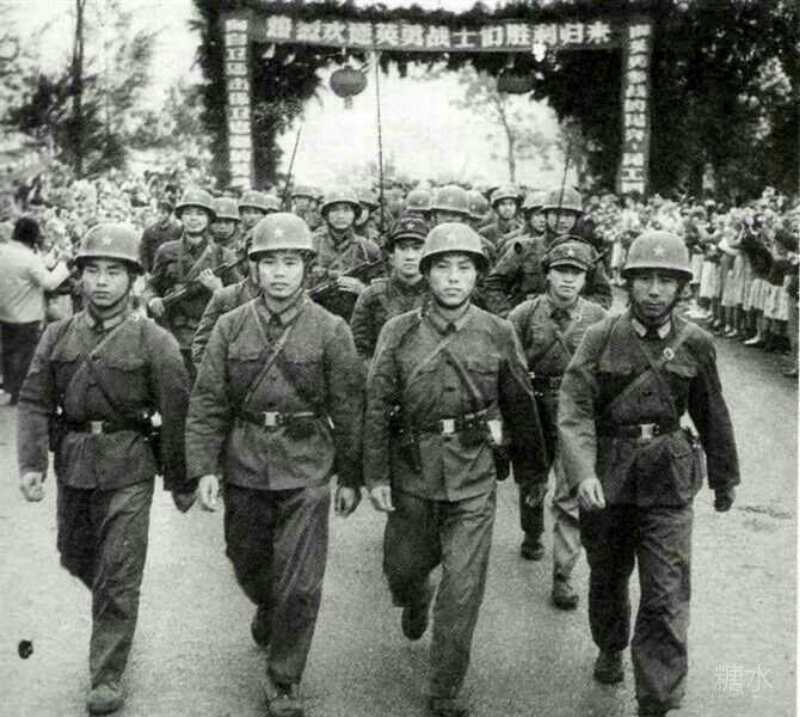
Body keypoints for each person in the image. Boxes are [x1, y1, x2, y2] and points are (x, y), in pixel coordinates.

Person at [363, 223, 548, 717]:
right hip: (412, 471)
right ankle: (414, 597)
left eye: (463, 268)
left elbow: (520, 404)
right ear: (426, 274)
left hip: (473, 471)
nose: (452, 278)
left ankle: (445, 686)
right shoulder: (398, 331)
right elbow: (377, 404)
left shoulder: (498, 331)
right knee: (403, 570)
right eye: (442, 267)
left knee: (463, 588)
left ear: (477, 275)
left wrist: (533, 476)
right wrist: (375, 476)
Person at [186, 213, 363, 717]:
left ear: (307, 267)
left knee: (301, 582)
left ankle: (284, 677)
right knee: (246, 560)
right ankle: (268, 605)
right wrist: (205, 468)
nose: (280, 273)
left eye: (290, 262)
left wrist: (352, 476)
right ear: (254, 268)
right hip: (244, 459)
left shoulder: (331, 329)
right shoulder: (229, 326)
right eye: (269, 263)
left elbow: (350, 406)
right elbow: (208, 401)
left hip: (307, 461)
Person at [558, 230, 740, 716]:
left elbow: (711, 412)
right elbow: (574, 407)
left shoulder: (695, 342)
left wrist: (724, 476)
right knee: (607, 576)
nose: (655, 290)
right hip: (607, 478)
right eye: (644, 279)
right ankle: (609, 643)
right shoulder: (600, 337)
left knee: (666, 590)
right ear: (628, 283)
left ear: (681, 287)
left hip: (668, 479)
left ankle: (657, 699)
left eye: (666, 280)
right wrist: (582, 472)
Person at [16, 223, 193, 715]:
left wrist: (180, 479)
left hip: (129, 464)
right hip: (74, 463)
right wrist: (32, 463)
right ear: (78, 277)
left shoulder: (154, 341)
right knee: (77, 557)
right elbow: (34, 400)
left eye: (114, 272)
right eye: (92, 271)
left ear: (134, 279)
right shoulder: (57, 336)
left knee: (118, 573)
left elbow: (176, 411)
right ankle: (112, 612)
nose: (101, 282)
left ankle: (107, 674)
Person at [508, 238, 607, 610]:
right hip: (533, 407)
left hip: (575, 411)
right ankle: (532, 531)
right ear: (547, 274)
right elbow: (508, 365)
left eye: (576, 273)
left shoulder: (598, 318)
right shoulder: (523, 314)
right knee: (532, 481)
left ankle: (563, 575)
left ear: (585, 279)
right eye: (561, 271)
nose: (568, 279)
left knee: (570, 490)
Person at [146, 187, 241, 380]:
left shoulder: (224, 256)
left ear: (209, 219)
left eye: (200, 213)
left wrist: (218, 289)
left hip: (209, 335)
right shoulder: (166, 251)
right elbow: (151, 285)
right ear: (181, 216)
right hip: (172, 333)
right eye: (188, 213)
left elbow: (241, 299)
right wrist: (152, 300)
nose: (194, 218)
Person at [483, 187, 612, 317]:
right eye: (556, 214)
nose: (562, 220)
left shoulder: (587, 252)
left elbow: (603, 295)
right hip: (528, 322)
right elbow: (493, 285)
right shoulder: (525, 248)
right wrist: (507, 314)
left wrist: (576, 308)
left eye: (568, 215)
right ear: (546, 215)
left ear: (576, 218)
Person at [0, 217, 70, 405]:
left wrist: (50, 258)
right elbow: (49, 283)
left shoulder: (3, 251)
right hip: (26, 315)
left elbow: (34, 268)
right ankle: (20, 393)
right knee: (25, 355)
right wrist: (63, 265)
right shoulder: (29, 259)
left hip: (4, 312)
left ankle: (9, 388)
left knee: (7, 352)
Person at [350, 216, 428, 362]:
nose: (410, 256)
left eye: (417, 248)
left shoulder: (437, 295)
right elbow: (358, 351)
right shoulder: (372, 295)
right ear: (391, 255)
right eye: (402, 248)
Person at [309, 189, 383, 320]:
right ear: (326, 215)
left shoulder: (369, 249)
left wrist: (362, 289)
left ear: (355, 214)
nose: (341, 216)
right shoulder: (311, 245)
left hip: (354, 317)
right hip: (315, 316)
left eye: (346, 210)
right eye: (335, 210)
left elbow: (383, 292)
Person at [138, 199, 182, 274]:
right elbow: (143, 252)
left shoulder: (177, 231)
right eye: (158, 212)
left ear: (169, 214)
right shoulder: (149, 230)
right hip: (152, 270)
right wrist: (146, 270)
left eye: (163, 213)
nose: (160, 215)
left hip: (169, 271)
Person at [479, 185, 523, 252]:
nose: (508, 208)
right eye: (503, 204)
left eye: (511, 204)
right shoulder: (485, 233)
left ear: (516, 207)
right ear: (496, 208)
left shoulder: (521, 231)